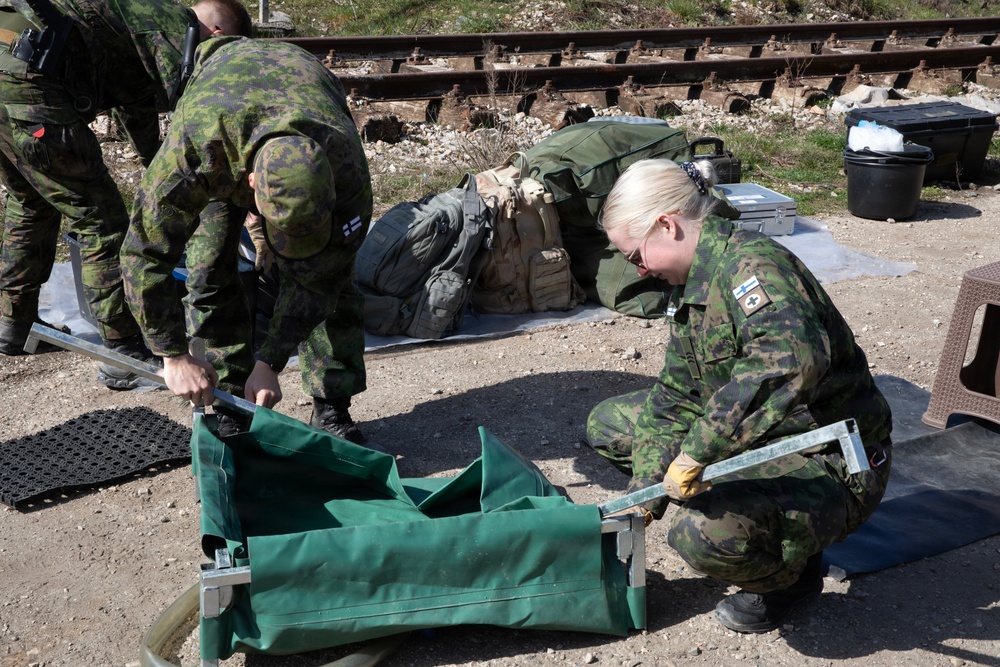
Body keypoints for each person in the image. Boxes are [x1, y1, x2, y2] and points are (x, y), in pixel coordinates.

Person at [585, 159, 892, 633]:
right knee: (610, 424)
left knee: (700, 536)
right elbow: (676, 395)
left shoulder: (753, 269)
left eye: (636, 255)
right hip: (758, 437)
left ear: (667, 225)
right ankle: (758, 513)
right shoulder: (695, 282)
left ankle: (791, 576)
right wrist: (645, 490)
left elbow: (788, 361)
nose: (640, 270)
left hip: (829, 458)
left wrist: (696, 453)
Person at [120, 37, 373, 444]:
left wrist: (270, 361)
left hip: (304, 81)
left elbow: (321, 277)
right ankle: (229, 400)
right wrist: (172, 354)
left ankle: (332, 406)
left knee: (335, 280)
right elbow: (143, 254)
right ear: (250, 185)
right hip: (222, 100)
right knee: (209, 266)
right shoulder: (195, 152)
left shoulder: (347, 170)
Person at [0, 0, 252, 391]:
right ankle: (122, 348)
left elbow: (137, 109)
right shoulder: (177, 28)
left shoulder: (137, 23)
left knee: (32, 200)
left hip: (8, 64)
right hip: (31, 86)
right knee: (101, 220)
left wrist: (158, 166)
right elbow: (195, 114)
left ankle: (13, 324)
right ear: (218, 36)